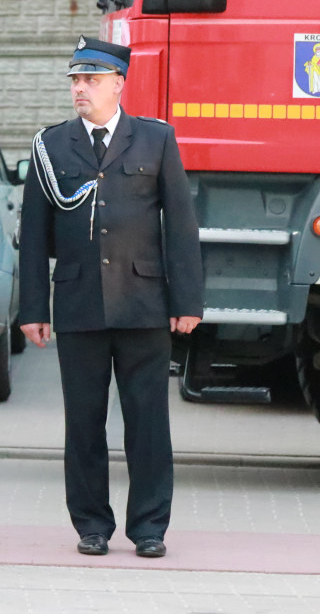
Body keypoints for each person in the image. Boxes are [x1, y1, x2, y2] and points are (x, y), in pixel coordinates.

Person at [18, 36, 203, 559]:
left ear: (119, 83)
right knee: (84, 423)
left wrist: (186, 300)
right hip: (79, 304)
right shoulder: (52, 146)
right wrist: (33, 308)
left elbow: (181, 226)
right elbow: (33, 232)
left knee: (147, 422)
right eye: (76, 80)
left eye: (91, 80)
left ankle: (148, 527)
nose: (80, 89)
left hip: (144, 303)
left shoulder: (155, 140)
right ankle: (91, 525)